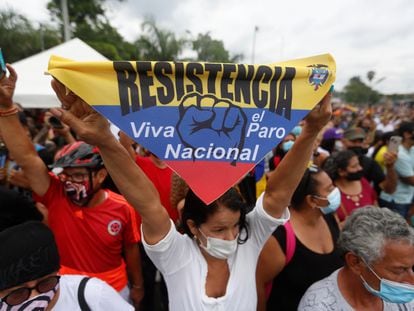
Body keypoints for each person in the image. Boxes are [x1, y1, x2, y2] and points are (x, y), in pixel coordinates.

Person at [47, 71, 332, 310]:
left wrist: (310, 132)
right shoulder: (175, 254)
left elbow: (276, 195)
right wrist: (104, 140)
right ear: (193, 226)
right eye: (219, 230)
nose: (232, 237)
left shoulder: (249, 242)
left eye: (235, 226)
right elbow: (148, 204)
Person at [0, 65, 144, 307]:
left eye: (77, 175)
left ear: (100, 176)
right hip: (61, 291)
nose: (68, 181)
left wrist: (138, 286)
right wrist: (5, 109)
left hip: (115, 289)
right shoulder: (55, 194)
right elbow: (27, 158)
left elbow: (131, 250)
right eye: (65, 174)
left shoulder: (123, 207)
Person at [256, 164, 343, 310]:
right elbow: (259, 285)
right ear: (312, 200)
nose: (335, 191)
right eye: (329, 189)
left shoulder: (330, 218)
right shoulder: (280, 237)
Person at [298, 207, 414, 310]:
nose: (411, 280)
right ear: (355, 262)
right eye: (399, 270)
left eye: (411, 268)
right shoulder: (318, 306)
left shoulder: (405, 294)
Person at [0, 221, 133, 310]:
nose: (35, 296)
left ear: (57, 273)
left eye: (46, 283)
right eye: (18, 293)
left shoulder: (92, 294)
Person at [323, 150, 377, 222]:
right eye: (354, 166)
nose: (360, 168)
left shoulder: (363, 182)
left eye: (358, 164)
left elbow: (376, 206)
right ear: (341, 172)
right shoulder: (330, 193)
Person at [341, 127, 397, 197]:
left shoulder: (369, 163)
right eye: (354, 141)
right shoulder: (332, 160)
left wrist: (390, 167)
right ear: (343, 141)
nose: (357, 145)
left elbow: (389, 189)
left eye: (360, 141)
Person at [379, 122, 414, 218]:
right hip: (395, 201)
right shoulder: (397, 152)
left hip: (406, 198)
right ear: (407, 134)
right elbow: (411, 180)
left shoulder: (411, 149)